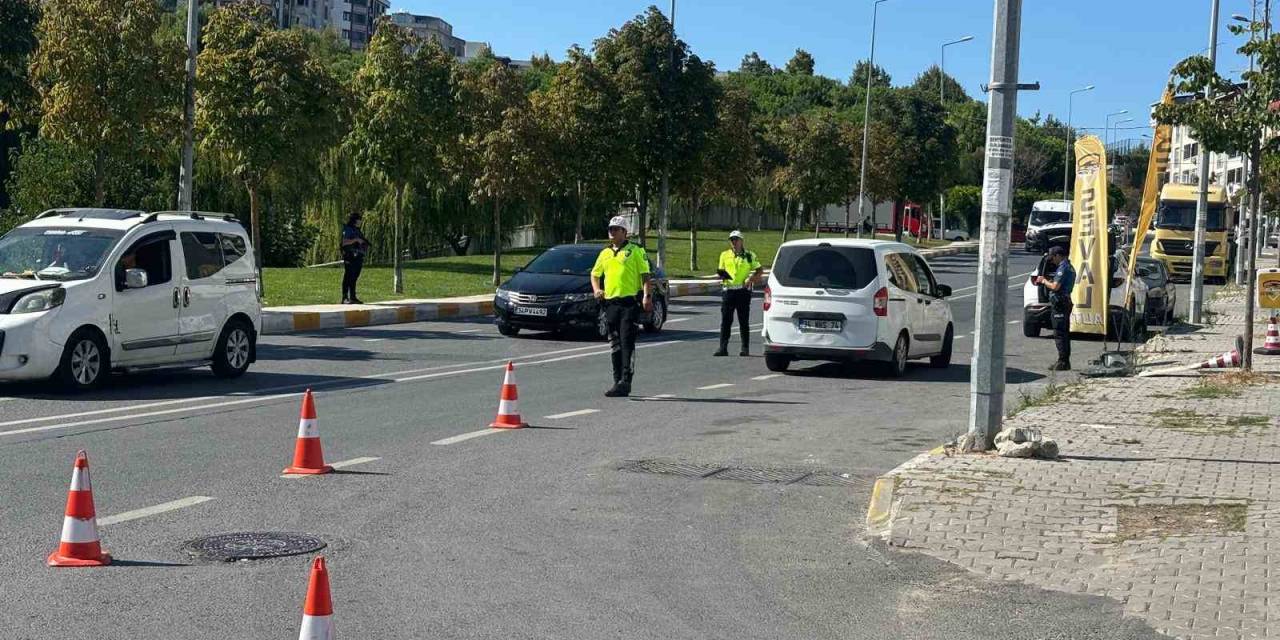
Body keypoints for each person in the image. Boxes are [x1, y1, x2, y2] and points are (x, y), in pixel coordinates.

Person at [590, 216, 653, 397]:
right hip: (611, 304)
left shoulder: (635, 251)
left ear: (624, 232)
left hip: (629, 303)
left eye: (616, 229)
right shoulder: (605, 253)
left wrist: (647, 297)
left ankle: (626, 380)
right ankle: (617, 380)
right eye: (610, 229)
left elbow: (645, 276)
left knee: (627, 342)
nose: (612, 232)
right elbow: (595, 274)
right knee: (614, 343)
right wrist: (597, 289)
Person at [714, 230, 763, 357]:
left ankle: (745, 348)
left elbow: (759, 270)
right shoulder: (724, 255)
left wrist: (751, 279)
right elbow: (721, 270)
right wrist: (721, 276)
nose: (734, 242)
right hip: (728, 290)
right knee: (726, 320)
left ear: (742, 241)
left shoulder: (749, 255)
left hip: (742, 291)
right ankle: (723, 347)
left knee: (743, 320)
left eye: (736, 240)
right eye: (732, 240)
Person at [1035, 245, 1076, 371]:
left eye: (1053, 258)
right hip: (1064, 302)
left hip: (1060, 303)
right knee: (1063, 333)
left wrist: (1044, 281)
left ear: (1058, 255)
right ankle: (1064, 360)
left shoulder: (1063, 268)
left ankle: (1063, 361)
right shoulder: (1068, 267)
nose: (1052, 261)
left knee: (1059, 333)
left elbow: (1055, 287)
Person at [340, 212, 370, 304]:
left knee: (355, 277)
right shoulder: (348, 229)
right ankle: (345, 297)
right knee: (348, 275)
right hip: (350, 256)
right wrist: (356, 240)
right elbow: (344, 242)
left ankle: (353, 297)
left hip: (358, 256)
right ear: (355, 220)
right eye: (359, 219)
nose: (360, 221)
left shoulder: (357, 230)